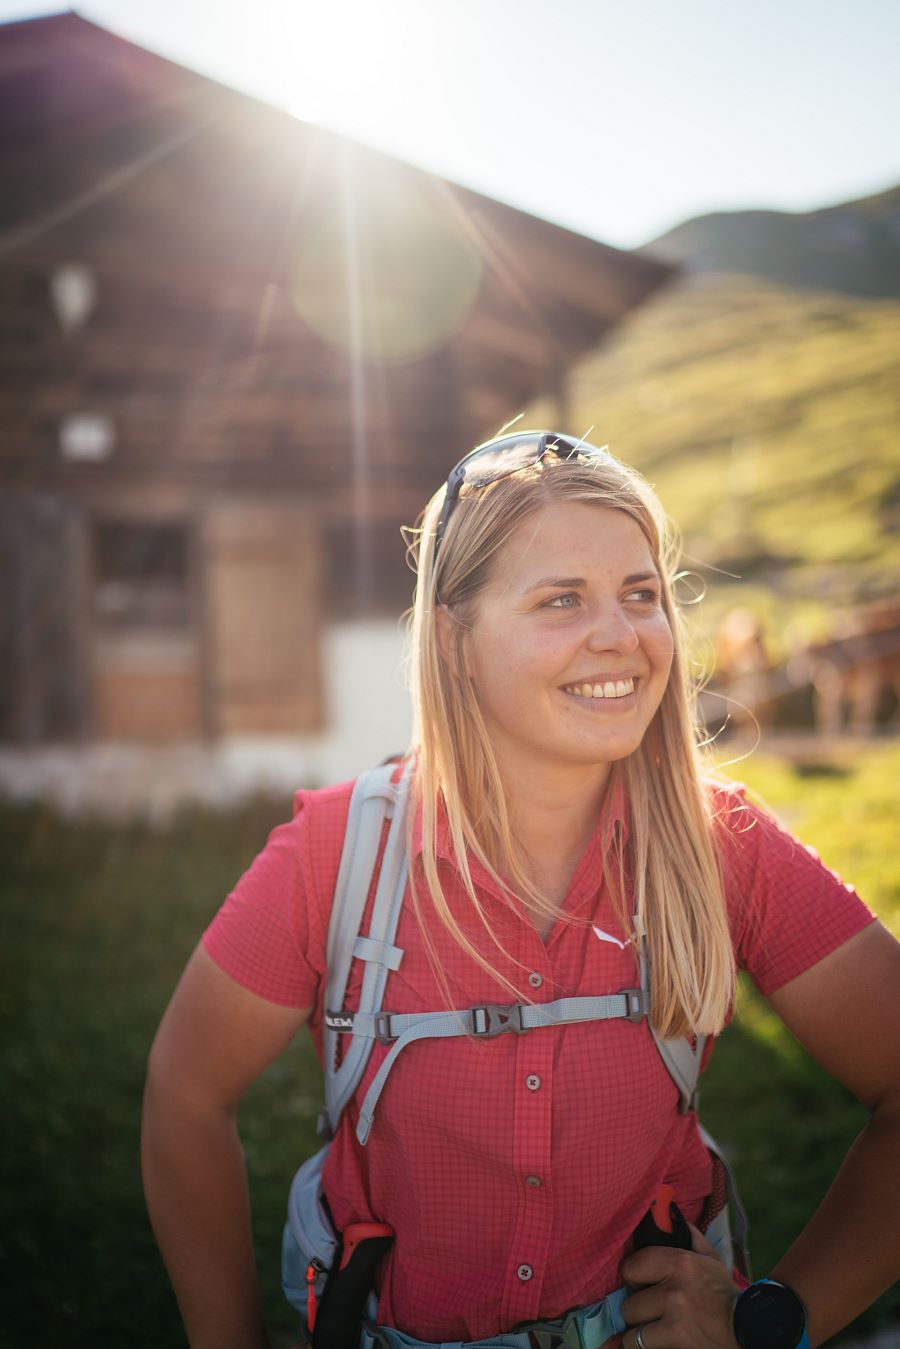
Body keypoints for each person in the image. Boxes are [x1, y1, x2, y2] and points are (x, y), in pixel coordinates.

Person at [142, 431, 900, 1349]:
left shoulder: (721, 846)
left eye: (641, 593)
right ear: (456, 641)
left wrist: (770, 1319)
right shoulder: (336, 855)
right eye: (561, 599)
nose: (621, 634)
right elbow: (186, 1091)